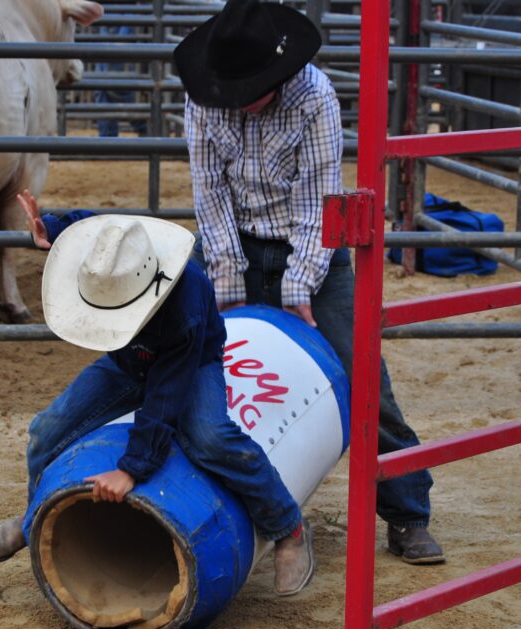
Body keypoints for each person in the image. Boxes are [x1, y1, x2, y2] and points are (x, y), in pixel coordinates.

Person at [173, 0, 444, 564]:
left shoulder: (314, 96)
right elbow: (210, 196)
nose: (238, 99)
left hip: (313, 250)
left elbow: (319, 202)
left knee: (364, 373)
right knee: (181, 360)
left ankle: (408, 512)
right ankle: (186, 495)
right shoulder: (203, 101)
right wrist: (228, 280)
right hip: (233, 244)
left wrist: (299, 287)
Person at [0, 190, 318, 596]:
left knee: (212, 438)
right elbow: (95, 229)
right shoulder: (122, 250)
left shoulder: (185, 306)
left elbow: (165, 395)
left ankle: (288, 527)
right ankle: (33, 520)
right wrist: (53, 227)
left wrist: (132, 468)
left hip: (189, 365)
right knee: (46, 430)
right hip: (126, 361)